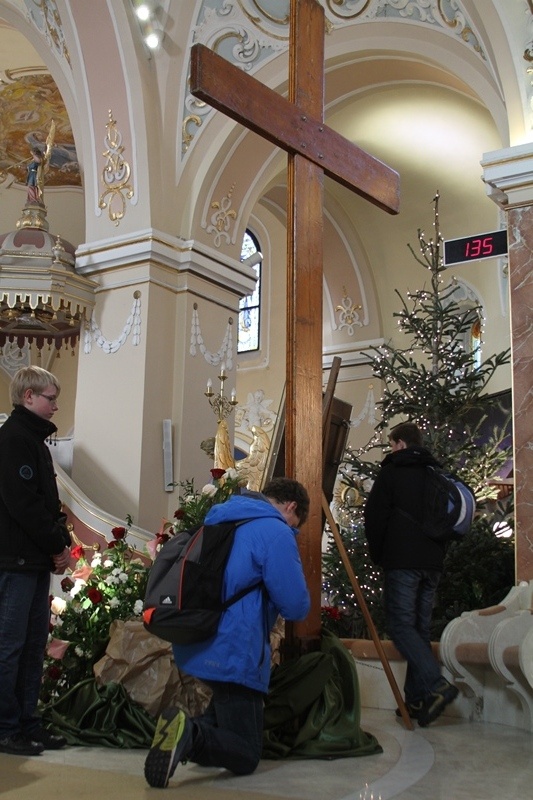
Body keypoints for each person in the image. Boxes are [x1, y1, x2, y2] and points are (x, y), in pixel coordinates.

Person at [144, 477, 311, 788]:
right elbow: (295, 605)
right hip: (235, 647)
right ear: (291, 507)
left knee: (221, 715)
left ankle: (184, 730)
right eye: (296, 523)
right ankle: (190, 735)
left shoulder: (219, 519)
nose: (294, 530)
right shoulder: (275, 531)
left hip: (197, 635)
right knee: (246, 753)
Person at [363, 422, 458, 727]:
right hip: (432, 563)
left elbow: (374, 517)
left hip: (403, 560)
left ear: (401, 444)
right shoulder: (435, 473)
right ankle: (417, 700)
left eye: (392, 445)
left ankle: (437, 684)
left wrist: (379, 555)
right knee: (418, 628)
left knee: (401, 626)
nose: (390, 450)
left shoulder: (393, 471)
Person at [0, 366, 71, 756]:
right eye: (50, 398)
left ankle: (27, 723)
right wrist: (56, 546)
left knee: (31, 646)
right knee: (9, 647)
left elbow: (49, 504)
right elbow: (23, 505)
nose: (55, 406)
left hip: (34, 561)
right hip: (14, 561)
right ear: (28, 397)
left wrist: (60, 539)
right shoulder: (13, 440)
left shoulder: (36, 443)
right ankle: (5, 727)